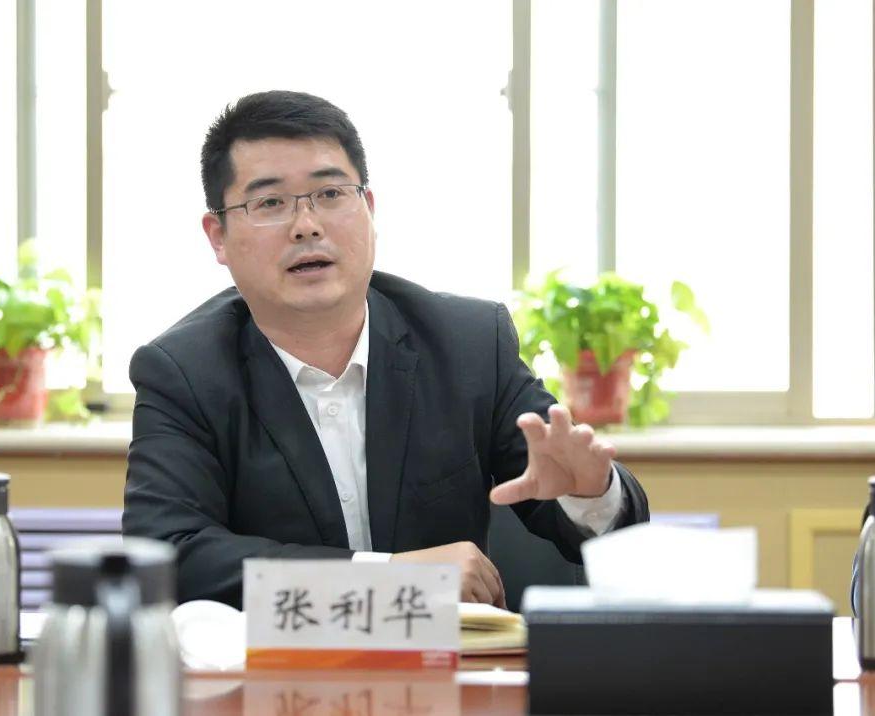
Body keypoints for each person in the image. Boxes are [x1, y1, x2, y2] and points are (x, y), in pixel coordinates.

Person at [123, 90, 650, 610]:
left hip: (451, 659)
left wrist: (589, 493)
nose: (306, 225)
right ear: (218, 236)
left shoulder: (468, 344)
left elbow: (596, 521)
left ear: (369, 209)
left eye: (331, 194)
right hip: (276, 662)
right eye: (270, 203)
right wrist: (390, 577)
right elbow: (168, 552)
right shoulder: (183, 372)